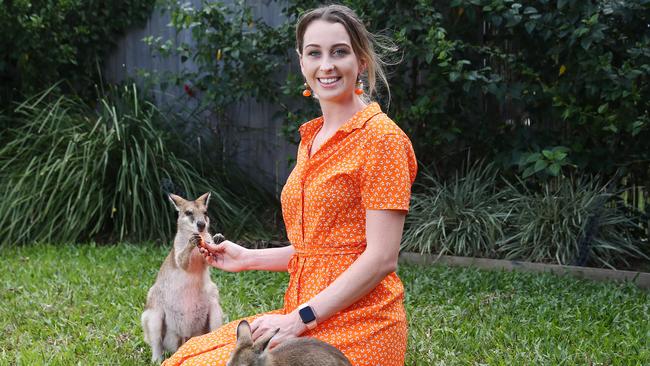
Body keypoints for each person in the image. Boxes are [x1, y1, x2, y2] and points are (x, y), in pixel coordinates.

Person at [162, 4, 417, 365]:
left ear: (360, 61)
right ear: (302, 62)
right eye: (315, 53)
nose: (326, 65)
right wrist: (249, 258)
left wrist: (299, 320)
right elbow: (323, 251)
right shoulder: (313, 138)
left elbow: (380, 258)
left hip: (359, 323)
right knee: (188, 357)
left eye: (339, 52)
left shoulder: (381, 139)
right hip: (305, 312)